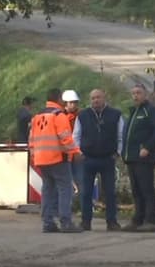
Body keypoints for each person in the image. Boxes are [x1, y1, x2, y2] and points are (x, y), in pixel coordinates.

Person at [29, 88, 81, 233]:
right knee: (65, 190)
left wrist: (35, 156)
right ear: (59, 99)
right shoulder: (59, 115)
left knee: (47, 190)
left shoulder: (37, 116)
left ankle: (48, 222)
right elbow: (65, 137)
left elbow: (31, 140)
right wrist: (75, 152)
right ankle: (66, 222)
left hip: (41, 159)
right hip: (58, 158)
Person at [73, 89, 123, 231]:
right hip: (88, 159)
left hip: (108, 158)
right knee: (86, 192)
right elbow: (76, 136)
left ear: (104, 97)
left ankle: (112, 222)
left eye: (98, 97)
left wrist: (118, 152)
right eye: (93, 98)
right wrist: (78, 152)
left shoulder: (115, 115)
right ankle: (85, 222)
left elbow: (121, 135)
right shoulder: (82, 115)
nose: (96, 100)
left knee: (110, 192)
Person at [121, 83, 155, 232]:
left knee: (146, 189)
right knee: (136, 190)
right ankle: (138, 219)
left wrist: (147, 147)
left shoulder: (150, 111)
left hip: (144, 158)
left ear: (145, 94)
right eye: (133, 93)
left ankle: (150, 220)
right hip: (131, 157)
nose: (135, 96)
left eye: (138, 93)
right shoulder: (133, 111)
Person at [61, 90, 82, 195]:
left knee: (79, 178)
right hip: (64, 154)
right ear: (65, 103)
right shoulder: (59, 116)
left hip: (77, 153)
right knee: (67, 180)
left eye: (75, 102)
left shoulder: (81, 115)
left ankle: (79, 202)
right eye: (71, 102)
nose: (74, 105)